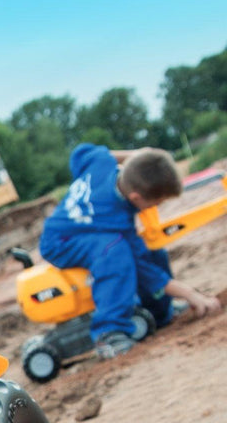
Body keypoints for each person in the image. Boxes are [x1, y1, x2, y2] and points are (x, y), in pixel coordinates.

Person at [39, 143, 220, 358]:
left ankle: (159, 311)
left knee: (152, 251)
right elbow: (145, 270)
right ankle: (109, 332)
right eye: (157, 203)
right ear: (136, 198)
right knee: (116, 252)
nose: (156, 207)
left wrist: (137, 156)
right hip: (60, 242)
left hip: (85, 232)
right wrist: (190, 294)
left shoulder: (103, 163)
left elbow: (81, 152)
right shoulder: (116, 220)